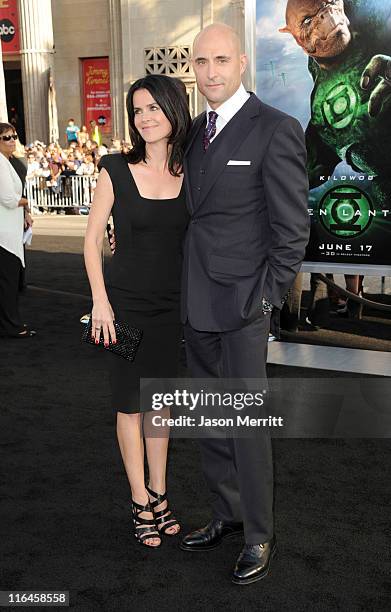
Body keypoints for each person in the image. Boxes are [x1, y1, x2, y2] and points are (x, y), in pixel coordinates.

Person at [179, 24, 310, 585]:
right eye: (201, 61)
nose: (210, 71)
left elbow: (292, 229)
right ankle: (226, 513)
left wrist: (265, 300)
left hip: (242, 308)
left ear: (242, 65)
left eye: (220, 60)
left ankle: (259, 531)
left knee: (246, 424)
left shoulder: (275, 130)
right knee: (209, 419)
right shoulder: (193, 133)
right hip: (196, 301)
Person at [84, 75, 191, 548]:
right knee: (130, 404)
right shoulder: (114, 168)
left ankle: (160, 491)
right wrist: (100, 303)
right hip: (122, 309)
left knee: (160, 404)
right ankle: (138, 498)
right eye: (137, 110)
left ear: (174, 110)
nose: (145, 117)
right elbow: (91, 242)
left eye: (154, 108)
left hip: (172, 309)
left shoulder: (193, 171)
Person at [0, 123, 35, 338]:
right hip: (4, 235)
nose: (12, 140)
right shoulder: (0, 163)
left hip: (8, 230)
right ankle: (11, 326)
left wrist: (25, 212)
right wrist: (25, 202)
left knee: (7, 282)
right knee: (8, 283)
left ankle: (8, 325)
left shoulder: (7, 162)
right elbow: (7, 198)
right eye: (6, 137)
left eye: (14, 136)